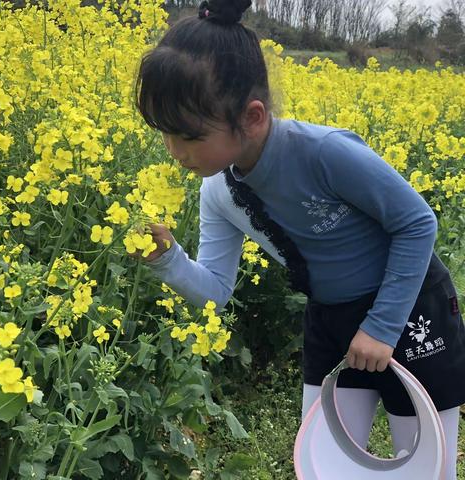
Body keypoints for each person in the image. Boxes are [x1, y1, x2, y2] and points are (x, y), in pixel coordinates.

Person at [133, 0, 465, 477]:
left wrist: (381, 326)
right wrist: (168, 261)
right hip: (330, 320)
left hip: (409, 306)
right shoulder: (218, 192)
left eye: (186, 135)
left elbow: (417, 223)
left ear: (252, 117)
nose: (174, 151)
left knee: (423, 464)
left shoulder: (323, 152)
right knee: (324, 464)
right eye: (164, 133)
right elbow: (216, 292)